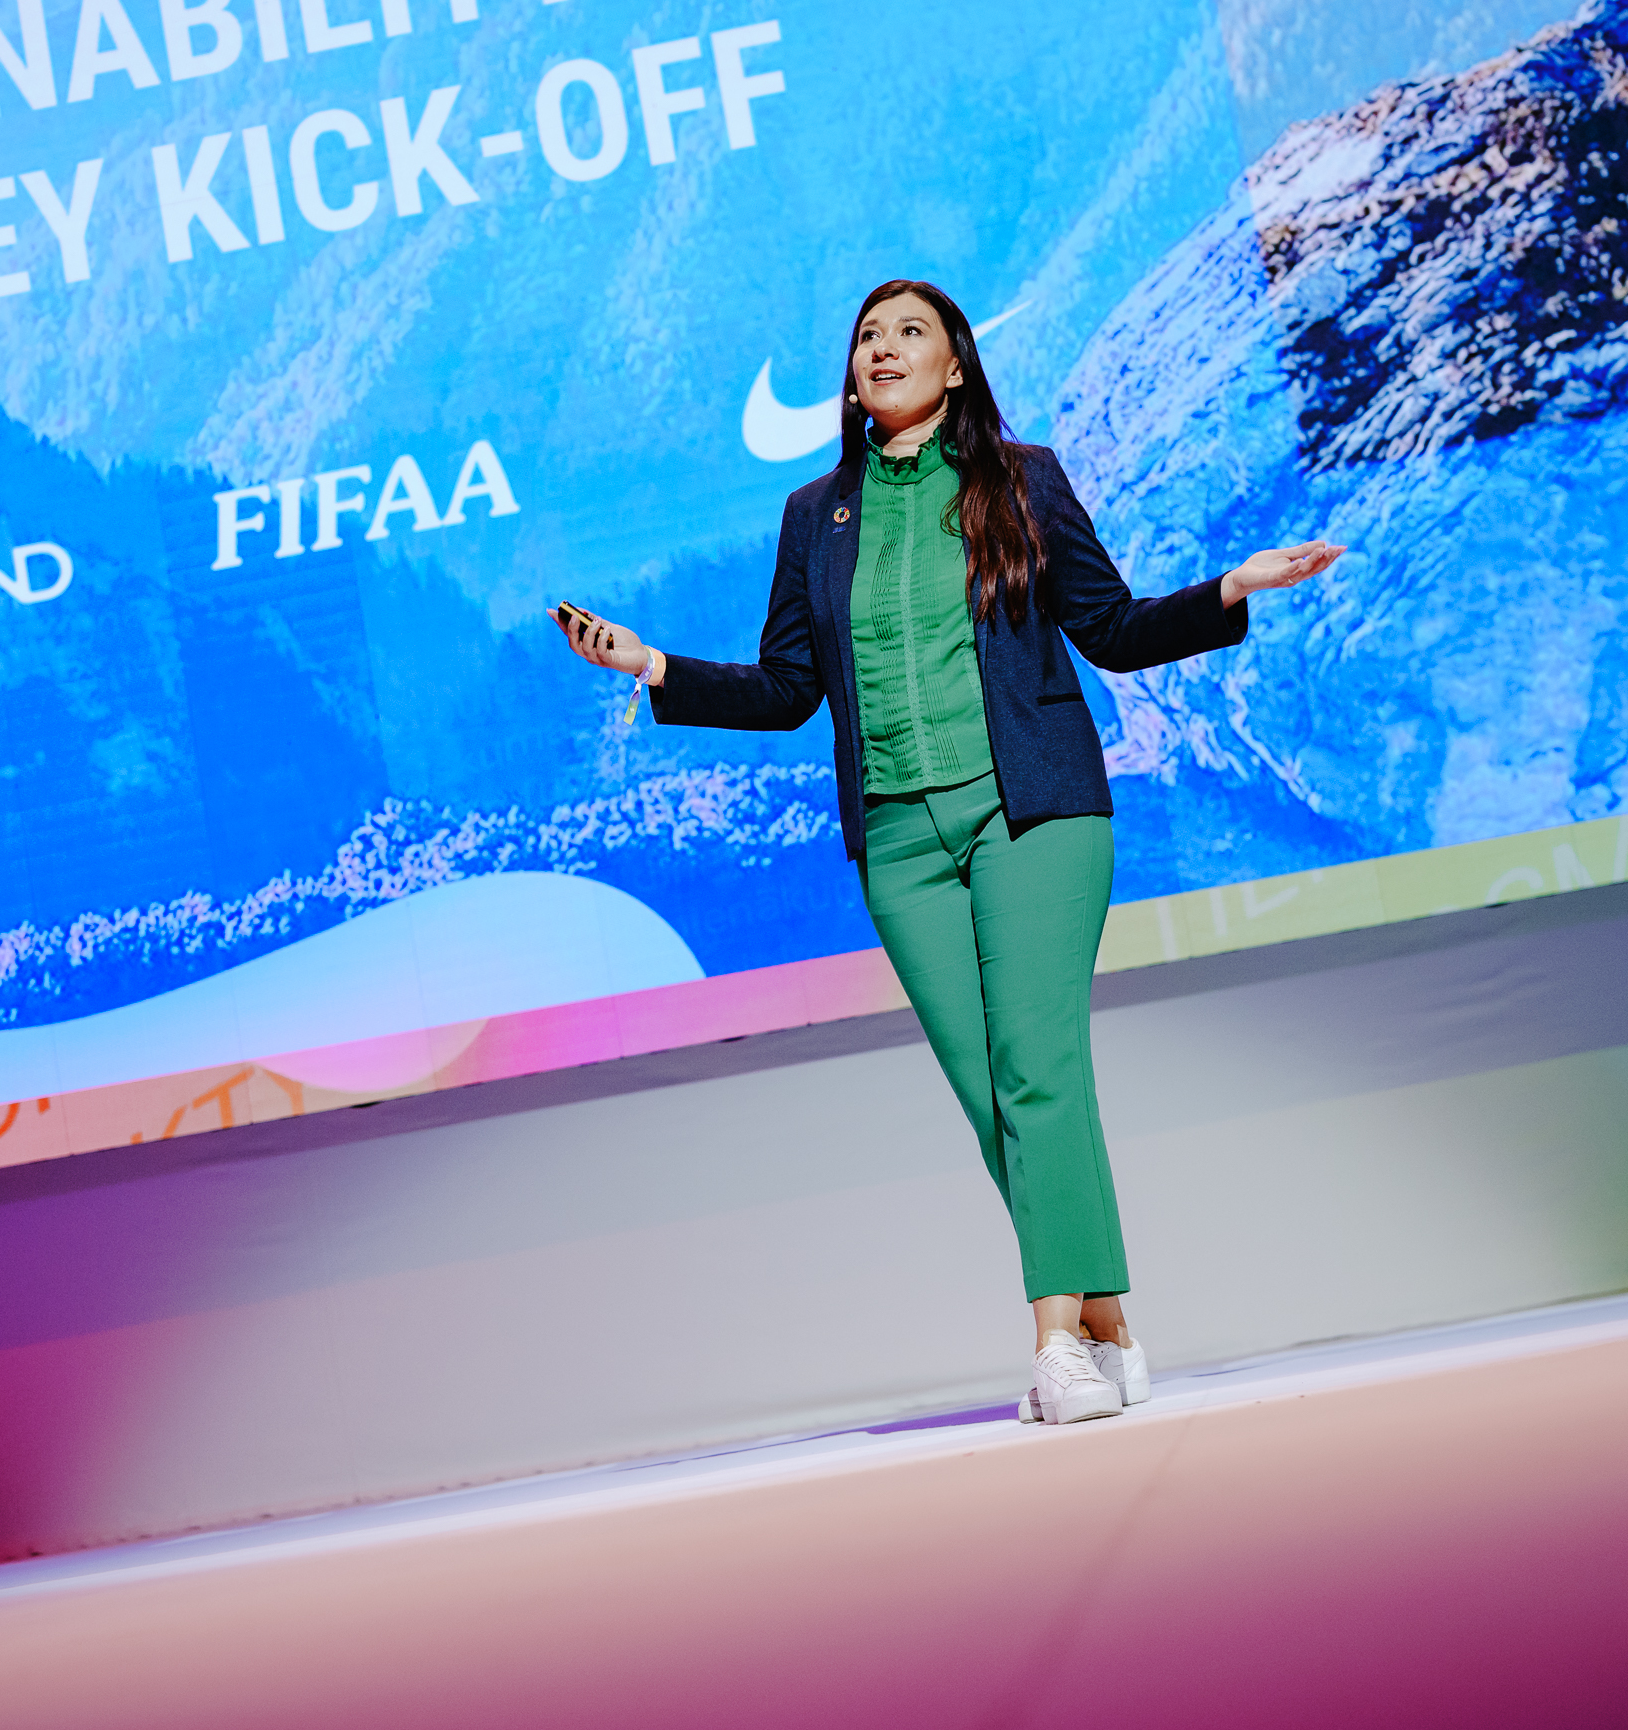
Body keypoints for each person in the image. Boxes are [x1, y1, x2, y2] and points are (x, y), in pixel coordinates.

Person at [552, 280, 1340, 1425]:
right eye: (868, 337)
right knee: (991, 1094)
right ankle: (1112, 1330)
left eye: (910, 332)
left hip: (1031, 812)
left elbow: (1110, 630)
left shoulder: (1021, 479)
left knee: (1036, 1066)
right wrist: (653, 666)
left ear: (958, 363)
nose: (883, 348)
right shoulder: (816, 515)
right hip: (898, 840)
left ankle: (1057, 1346)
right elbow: (787, 689)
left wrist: (1229, 589)